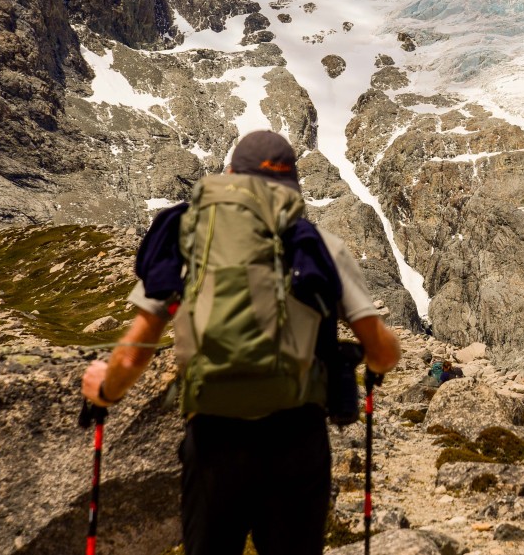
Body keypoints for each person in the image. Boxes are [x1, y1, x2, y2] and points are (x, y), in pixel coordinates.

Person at [81, 130, 401, 555]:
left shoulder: (188, 235)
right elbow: (382, 352)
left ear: (230, 175)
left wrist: (104, 389)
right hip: (297, 439)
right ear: (292, 185)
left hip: (213, 438)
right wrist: (368, 367)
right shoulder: (317, 244)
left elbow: (135, 352)